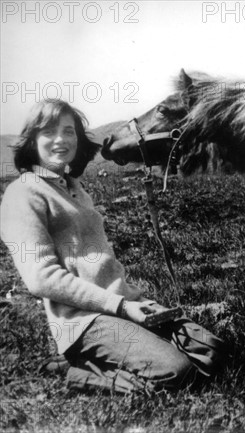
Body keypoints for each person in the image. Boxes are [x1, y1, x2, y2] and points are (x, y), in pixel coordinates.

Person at [0, 99, 226, 394]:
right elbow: (41, 277)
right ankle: (77, 373)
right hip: (83, 321)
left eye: (69, 132)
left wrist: (129, 302)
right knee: (176, 372)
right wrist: (120, 306)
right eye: (49, 132)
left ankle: (121, 349)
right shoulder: (22, 194)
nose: (61, 140)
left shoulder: (73, 188)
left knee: (212, 352)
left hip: (124, 305)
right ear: (32, 140)